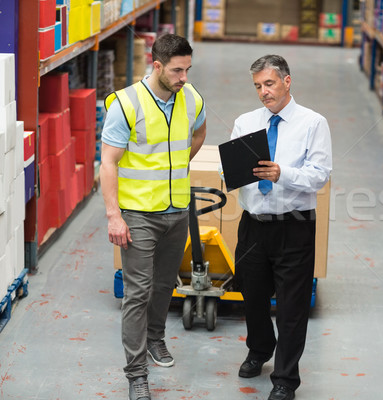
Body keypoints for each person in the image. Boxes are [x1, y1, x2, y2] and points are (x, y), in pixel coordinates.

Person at [100, 33, 206, 400]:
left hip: (177, 209)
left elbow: (200, 130)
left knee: (164, 285)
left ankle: (156, 339)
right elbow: (108, 162)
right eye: (177, 71)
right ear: (157, 66)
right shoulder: (126, 104)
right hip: (137, 215)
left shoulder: (190, 97)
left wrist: (176, 167)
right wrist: (114, 215)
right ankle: (136, 374)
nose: (184, 78)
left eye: (188, 69)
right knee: (138, 293)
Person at [230, 54, 332, 400]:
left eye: (269, 83)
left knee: (292, 306)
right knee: (252, 294)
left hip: (295, 227)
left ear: (287, 82)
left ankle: (286, 377)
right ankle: (260, 349)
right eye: (258, 86)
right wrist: (234, 170)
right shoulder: (246, 122)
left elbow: (319, 176)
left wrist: (281, 174)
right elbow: (227, 171)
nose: (263, 92)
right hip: (253, 226)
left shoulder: (313, 123)